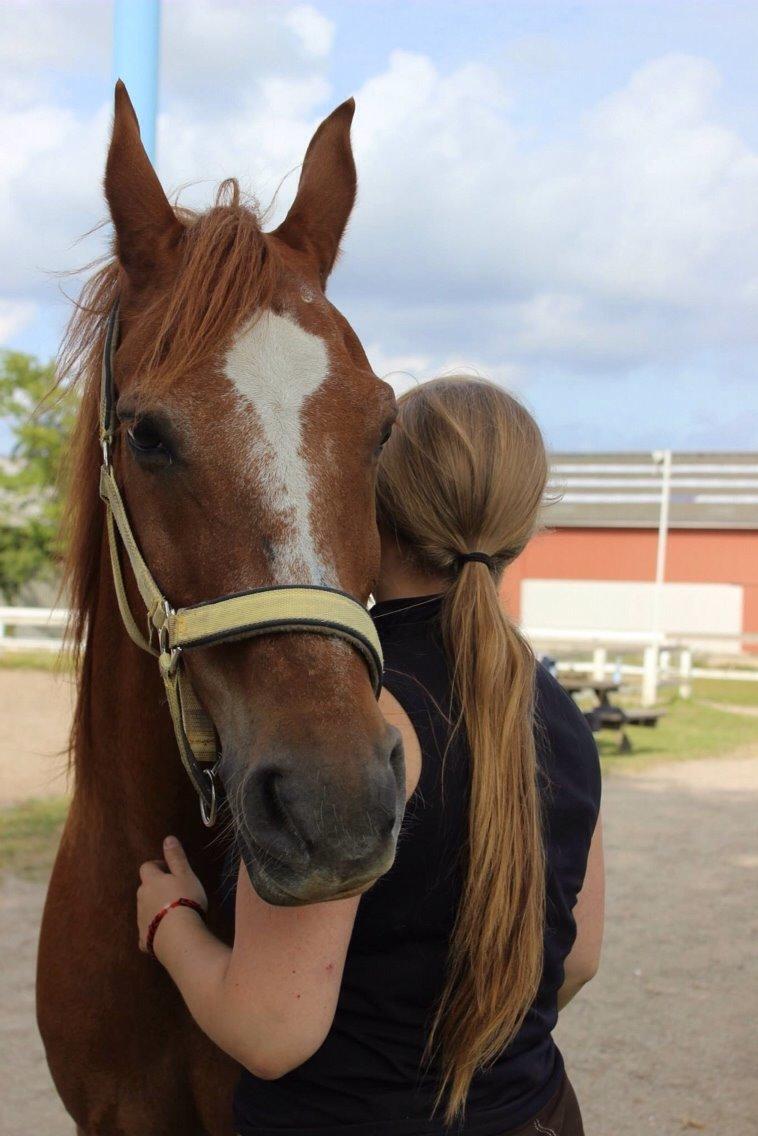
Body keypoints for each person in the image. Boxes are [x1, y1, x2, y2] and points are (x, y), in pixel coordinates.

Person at [137, 376, 603, 1135]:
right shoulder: (559, 712)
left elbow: (269, 1030)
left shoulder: (351, 715)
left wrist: (171, 925)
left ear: (366, 501)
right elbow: (577, 959)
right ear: (520, 526)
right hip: (540, 1114)